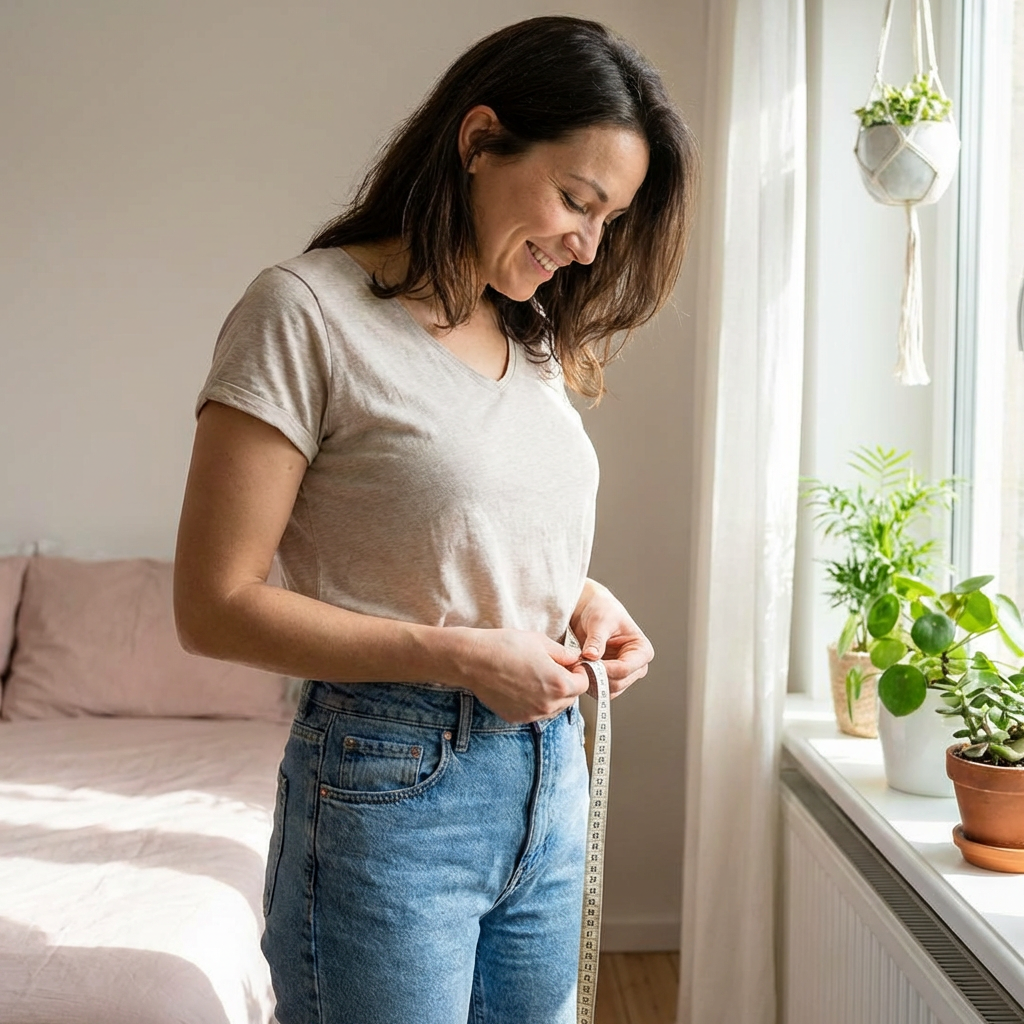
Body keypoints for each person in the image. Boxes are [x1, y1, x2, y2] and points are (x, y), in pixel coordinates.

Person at [174, 14, 697, 1024]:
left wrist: (581, 599)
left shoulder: (528, 336)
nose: (585, 244)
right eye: (575, 200)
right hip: (386, 786)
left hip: (548, 779)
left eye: (608, 220)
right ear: (479, 139)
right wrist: (459, 655)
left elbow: (456, 527)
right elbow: (213, 604)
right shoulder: (305, 311)